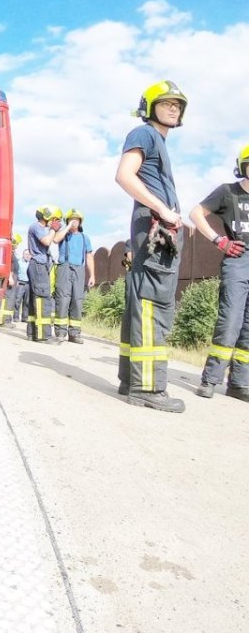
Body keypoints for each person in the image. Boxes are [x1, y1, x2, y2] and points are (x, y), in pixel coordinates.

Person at [114, 80, 189, 412]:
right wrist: (162, 209)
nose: (173, 107)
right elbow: (124, 175)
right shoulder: (144, 133)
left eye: (178, 104)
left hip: (153, 228)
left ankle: (130, 379)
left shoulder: (158, 141)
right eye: (166, 102)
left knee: (140, 300)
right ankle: (147, 387)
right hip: (156, 227)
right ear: (149, 106)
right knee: (152, 302)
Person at [187, 143, 249, 401]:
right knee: (230, 321)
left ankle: (239, 383)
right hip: (238, 260)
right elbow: (195, 213)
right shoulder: (228, 192)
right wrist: (219, 240)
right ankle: (211, 379)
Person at [51, 208, 94, 343]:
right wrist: (68, 226)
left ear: (81, 222)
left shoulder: (85, 238)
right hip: (64, 267)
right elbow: (56, 240)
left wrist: (92, 275)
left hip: (78, 270)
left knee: (77, 300)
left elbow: (89, 257)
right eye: (71, 219)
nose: (74, 221)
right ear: (67, 221)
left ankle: (75, 334)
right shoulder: (63, 234)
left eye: (76, 220)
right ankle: (60, 332)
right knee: (63, 299)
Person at [26, 205, 62, 343]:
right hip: (39, 266)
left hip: (38, 266)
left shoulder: (40, 228)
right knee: (43, 299)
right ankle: (44, 336)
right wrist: (53, 229)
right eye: (55, 219)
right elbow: (47, 241)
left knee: (35, 300)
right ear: (48, 217)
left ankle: (32, 333)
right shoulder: (36, 227)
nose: (56, 222)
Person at [10, 247, 31, 324]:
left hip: (28, 284)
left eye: (28, 254)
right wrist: (17, 281)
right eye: (26, 254)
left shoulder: (31, 263)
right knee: (17, 301)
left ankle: (24, 318)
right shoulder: (19, 262)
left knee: (27, 302)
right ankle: (16, 317)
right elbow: (16, 272)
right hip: (20, 283)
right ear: (23, 254)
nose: (27, 256)